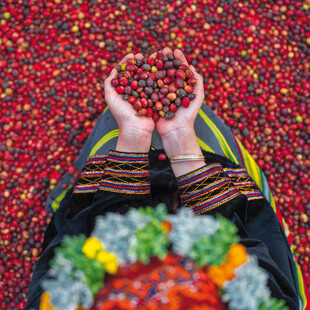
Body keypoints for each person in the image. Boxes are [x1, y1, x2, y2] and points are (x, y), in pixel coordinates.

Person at [26, 48, 307, 309]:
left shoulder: (63, 298)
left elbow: (64, 261)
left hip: (105, 198)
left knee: (105, 135)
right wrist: (181, 138)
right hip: (221, 199)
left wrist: (133, 139)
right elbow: (259, 265)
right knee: (213, 139)